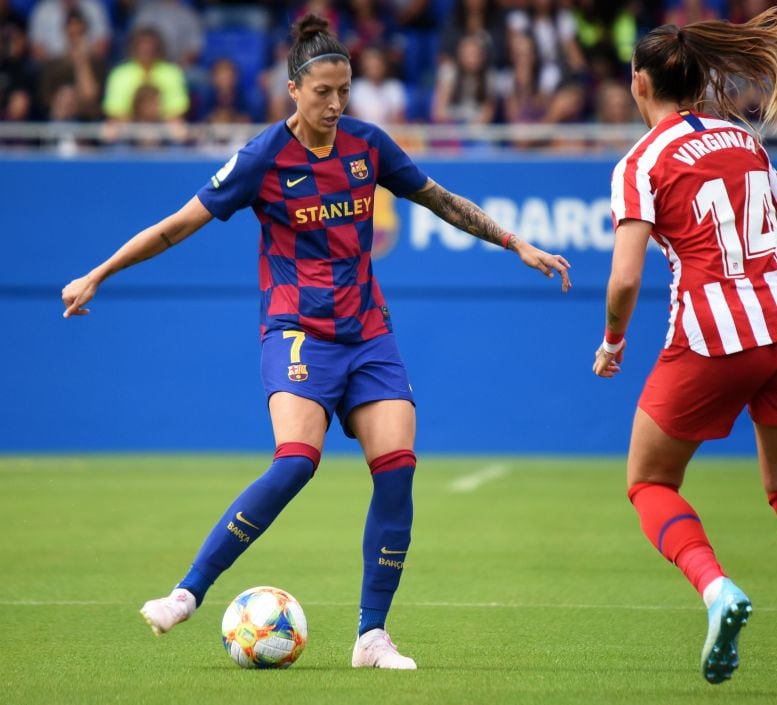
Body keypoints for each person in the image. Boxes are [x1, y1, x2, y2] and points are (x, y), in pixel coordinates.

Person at [61, 14, 570, 670]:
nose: (335, 104)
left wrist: (515, 242)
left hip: (369, 333)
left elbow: (439, 197)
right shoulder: (263, 158)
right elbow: (175, 226)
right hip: (298, 332)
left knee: (398, 468)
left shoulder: (368, 145)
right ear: (293, 90)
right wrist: (99, 273)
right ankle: (188, 591)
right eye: (323, 92)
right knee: (297, 460)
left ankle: (372, 635)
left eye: (344, 91)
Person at [592, 9, 777, 695]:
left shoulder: (640, 161)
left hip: (713, 332)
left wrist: (614, 340)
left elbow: (624, 277)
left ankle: (716, 591)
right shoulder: (744, 139)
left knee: (648, 480)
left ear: (640, 83)